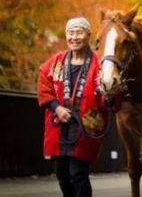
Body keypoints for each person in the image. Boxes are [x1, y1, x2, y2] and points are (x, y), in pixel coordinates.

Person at [37, 17, 114, 197]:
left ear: (88, 35)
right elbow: (44, 86)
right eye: (71, 33)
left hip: (84, 126)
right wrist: (56, 107)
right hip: (58, 126)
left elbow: (108, 97)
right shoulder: (55, 62)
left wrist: (110, 95)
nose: (74, 37)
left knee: (78, 174)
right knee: (62, 175)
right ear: (66, 35)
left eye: (79, 32)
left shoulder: (99, 64)